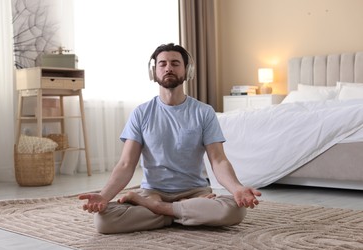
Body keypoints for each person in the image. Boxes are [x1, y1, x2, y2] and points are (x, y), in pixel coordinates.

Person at [79, 43, 261, 234]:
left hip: (195, 193)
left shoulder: (204, 112)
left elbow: (218, 160)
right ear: (153, 72)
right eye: (162, 64)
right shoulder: (141, 113)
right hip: (154, 193)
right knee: (104, 221)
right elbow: (126, 164)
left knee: (235, 211)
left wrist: (237, 188)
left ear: (187, 70)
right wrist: (103, 196)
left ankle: (161, 212)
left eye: (175, 63)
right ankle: (183, 212)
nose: (168, 68)